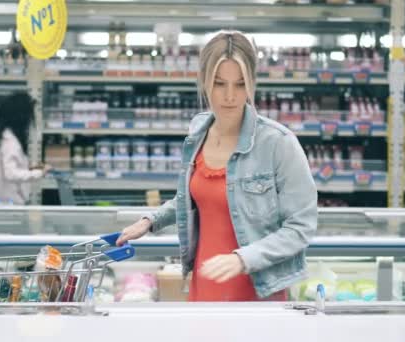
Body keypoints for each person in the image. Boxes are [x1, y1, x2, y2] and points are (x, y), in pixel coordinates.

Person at [116, 30, 317, 301]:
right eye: (220, 83)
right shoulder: (198, 133)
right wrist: (151, 221)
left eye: (240, 84)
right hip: (204, 286)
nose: (230, 96)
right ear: (204, 82)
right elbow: (195, 198)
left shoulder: (278, 143)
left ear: (252, 83)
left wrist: (243, 259)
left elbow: (300, 227)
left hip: (256, 293)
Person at [0, 91, 51, 205]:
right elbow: (11, 174)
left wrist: (32, 168)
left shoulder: (10, 137)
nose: (30, 120)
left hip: (8, 204)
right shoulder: (10, 142)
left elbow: (12, 166)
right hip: (7, 206)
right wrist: (38, 173)